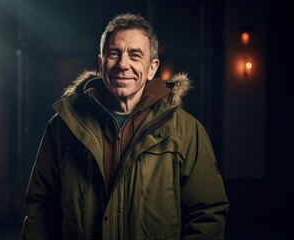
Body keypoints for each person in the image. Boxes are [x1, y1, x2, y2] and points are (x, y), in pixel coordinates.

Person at [21, 13, 229, 240]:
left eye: (135, 55)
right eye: (114, 53)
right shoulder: (63, 128)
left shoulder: (186, 131)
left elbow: (208, 214)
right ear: (101, 64)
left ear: (152, 68)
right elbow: (40, 208)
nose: (123, 64)